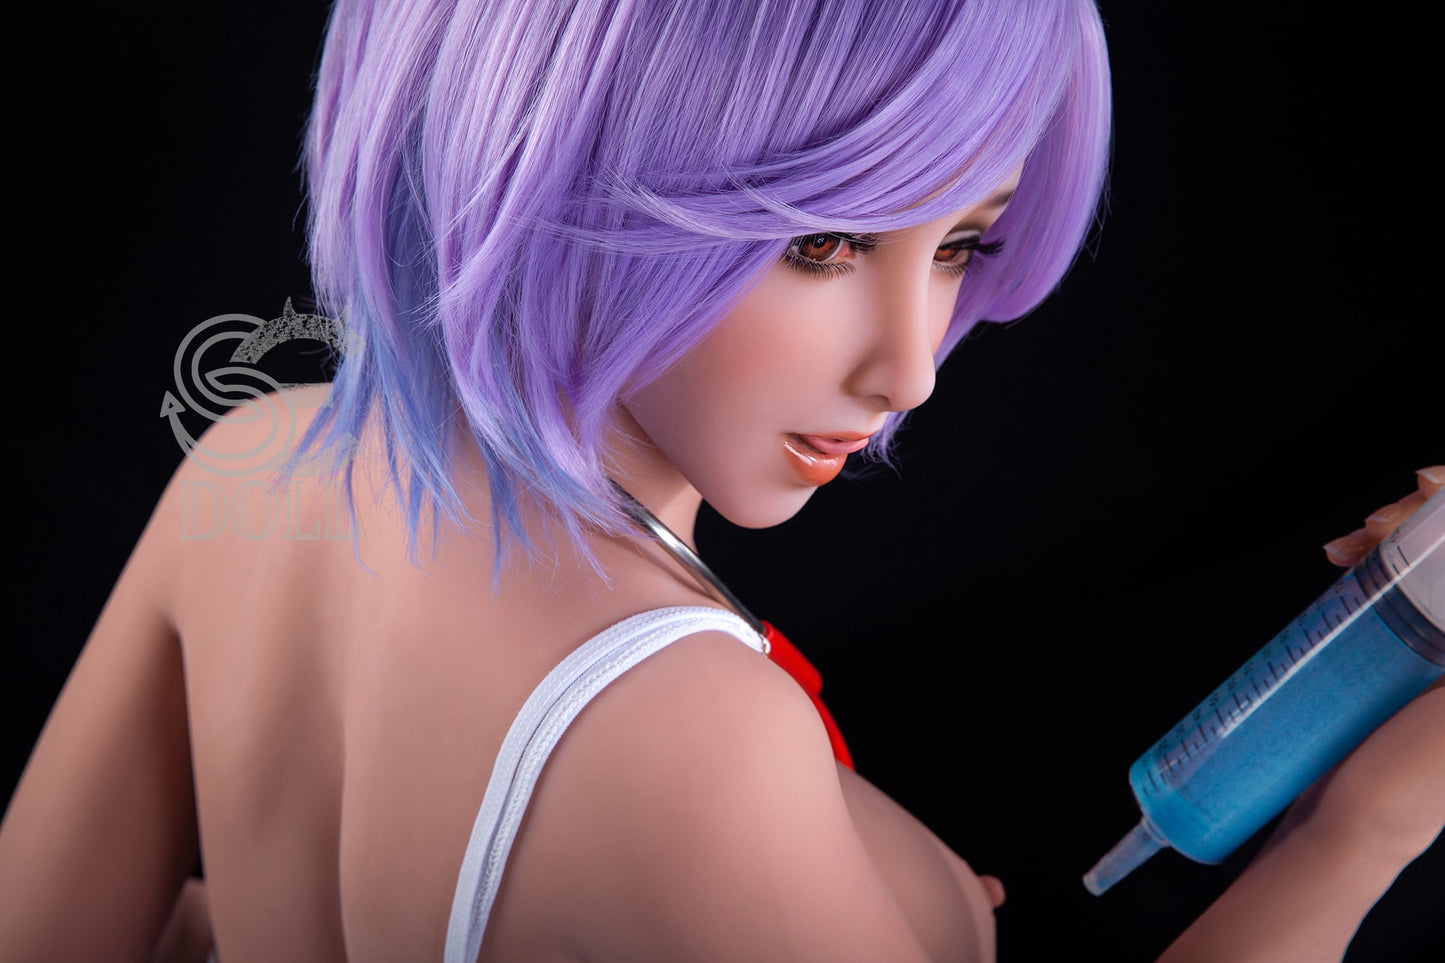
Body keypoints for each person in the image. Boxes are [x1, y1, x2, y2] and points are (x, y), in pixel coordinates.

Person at [1, 1, 1439, 960]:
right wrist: (1366, 822)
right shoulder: (686, 732)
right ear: (556, 160)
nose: (910, 369)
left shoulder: (257, 462)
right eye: (821, 244)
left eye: (958, 245)